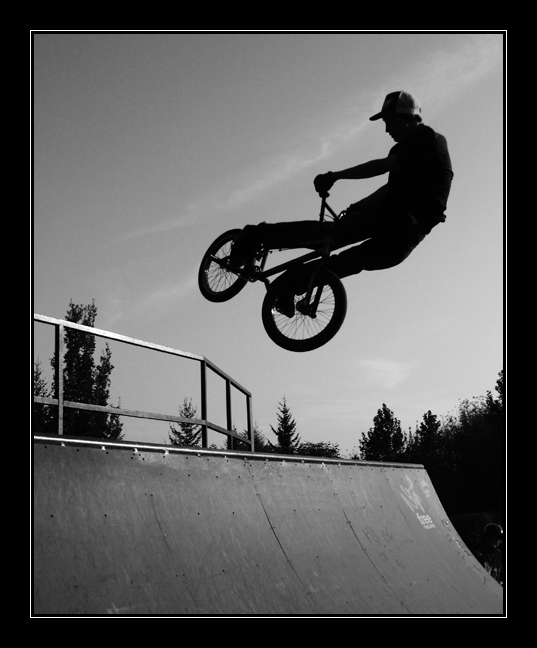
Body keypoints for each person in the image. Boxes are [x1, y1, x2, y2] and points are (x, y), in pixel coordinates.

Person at [229, 91, 454, 294]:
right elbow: (390, 188)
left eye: (390, 122)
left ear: (408, 119)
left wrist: (336, 176)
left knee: (351, 262)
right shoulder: (401, 149)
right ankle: (255, 236)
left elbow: (378, 167)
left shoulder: (430, 143)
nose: (387, 130)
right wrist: (360, 205)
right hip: (392, 214)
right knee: (329, 235)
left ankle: (288, 287)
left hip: (408, 230)